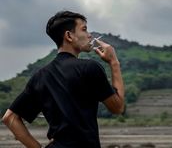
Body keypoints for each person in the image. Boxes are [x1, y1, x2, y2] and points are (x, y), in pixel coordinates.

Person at [1, 10, 125, 148]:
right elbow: (117, 107)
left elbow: (10, 118)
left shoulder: (40, 76)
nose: (90, 35)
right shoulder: (89, 68)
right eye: (84, 29)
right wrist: (114, 62)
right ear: (69, 36)